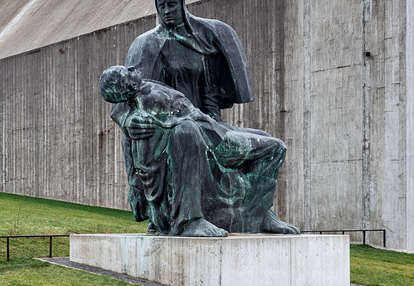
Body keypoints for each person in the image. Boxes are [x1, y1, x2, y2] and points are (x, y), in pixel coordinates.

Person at [100, 64, 297, 236]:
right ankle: (256, 216)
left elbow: (118, 107)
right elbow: (121, 109)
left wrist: (127, 120)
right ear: (130, 86)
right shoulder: (149, 97)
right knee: (275, 148)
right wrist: (128, 123)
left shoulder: (143, 88)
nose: (133, 69)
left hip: (214, 128)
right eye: (127, 72)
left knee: (263, 135)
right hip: (215, 140)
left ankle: (261, 212)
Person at [125, 0, 252, 120]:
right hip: (166, 123)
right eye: (162, 6)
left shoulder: (204, 38)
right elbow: (129, 96)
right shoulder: (146, 44)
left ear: (182, 3)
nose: (166, 11)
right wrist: (131, 122)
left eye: (172, 5)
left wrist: (213, 121)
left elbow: (210, 91)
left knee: (265, 140)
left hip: (201, 119)